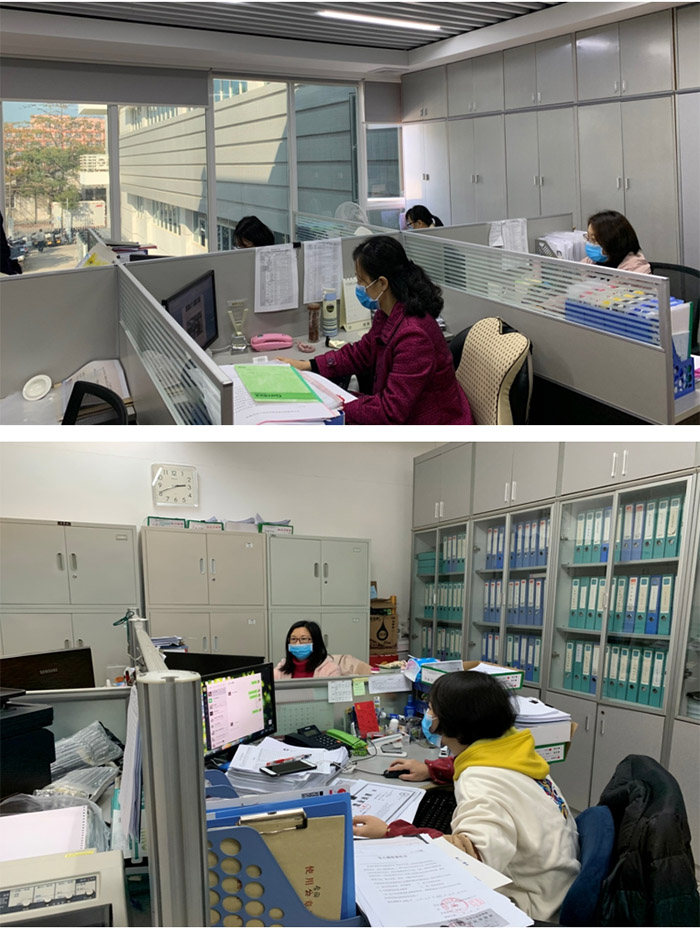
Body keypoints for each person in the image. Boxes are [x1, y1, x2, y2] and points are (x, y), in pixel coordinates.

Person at [352, 672, 580, 922]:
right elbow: (479, 765)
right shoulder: (513, 749)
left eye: (431, 709)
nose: (427, 715)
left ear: (451, 721)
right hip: (558, 883)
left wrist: (391, 832)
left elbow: (472, 858)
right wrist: (433, 770)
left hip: (533, 905)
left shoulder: (480, 780)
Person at [277, 236, 473, 425]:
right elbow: (361, 353)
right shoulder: (389, 313)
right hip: (407, 418)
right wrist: (307, 365)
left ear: (382, 283)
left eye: (361, 281)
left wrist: (334, 406)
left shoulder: (414, 336)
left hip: (433, 429)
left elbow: (390, 411)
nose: (359, 287)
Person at [581, 210, 651, 273]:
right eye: (588, 237)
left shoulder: (636, 269)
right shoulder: (590, 261)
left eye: (594, 240)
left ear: (612, 242)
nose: (589, 243)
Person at [273, 620, 342, 680]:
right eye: (293, 639)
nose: (297, 643)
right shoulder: (281, 669)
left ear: (315, 641)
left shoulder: (331, 669)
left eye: (303, 639)